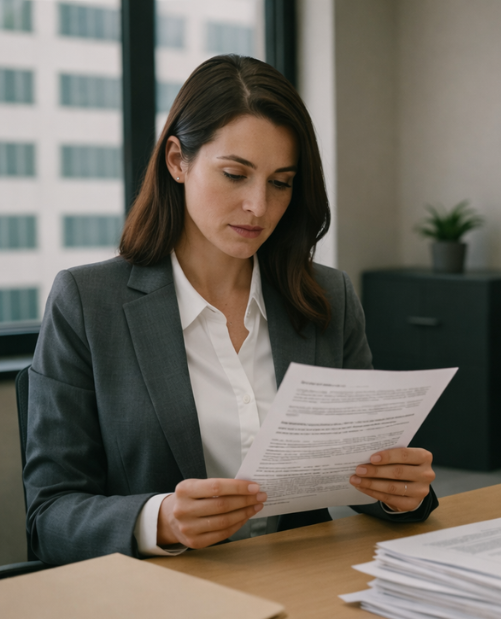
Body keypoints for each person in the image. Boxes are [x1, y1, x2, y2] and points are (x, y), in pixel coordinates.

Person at [23, 55, 438, 566]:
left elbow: (364, 480)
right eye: (235, 174)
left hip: (304, 585)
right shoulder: (87, 303)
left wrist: (399, 493)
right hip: (162, 601)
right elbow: (49, 516)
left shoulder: (328, 298)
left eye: (281, 182)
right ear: (177, 160)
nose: (259, 206)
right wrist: (160, 519)